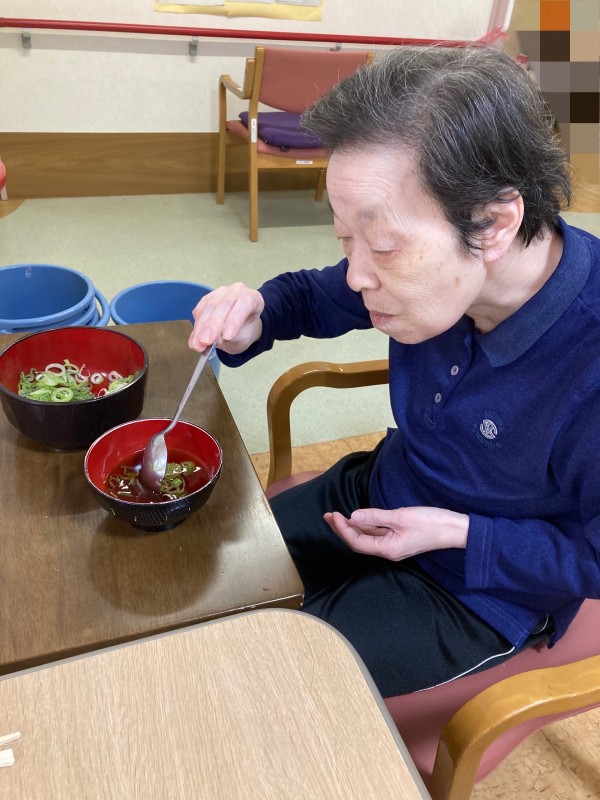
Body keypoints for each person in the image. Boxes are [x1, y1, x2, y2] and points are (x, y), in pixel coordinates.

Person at [189, 44, 600, 698]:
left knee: (258, 681)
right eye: (345, 239)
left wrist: (458, 533)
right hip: (382, 490)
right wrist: (257, 313)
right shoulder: (426, 274)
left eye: (381, 246)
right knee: (206, 574)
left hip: (479, 588)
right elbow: (315, 295)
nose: (357, 275)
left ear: (494, 223)